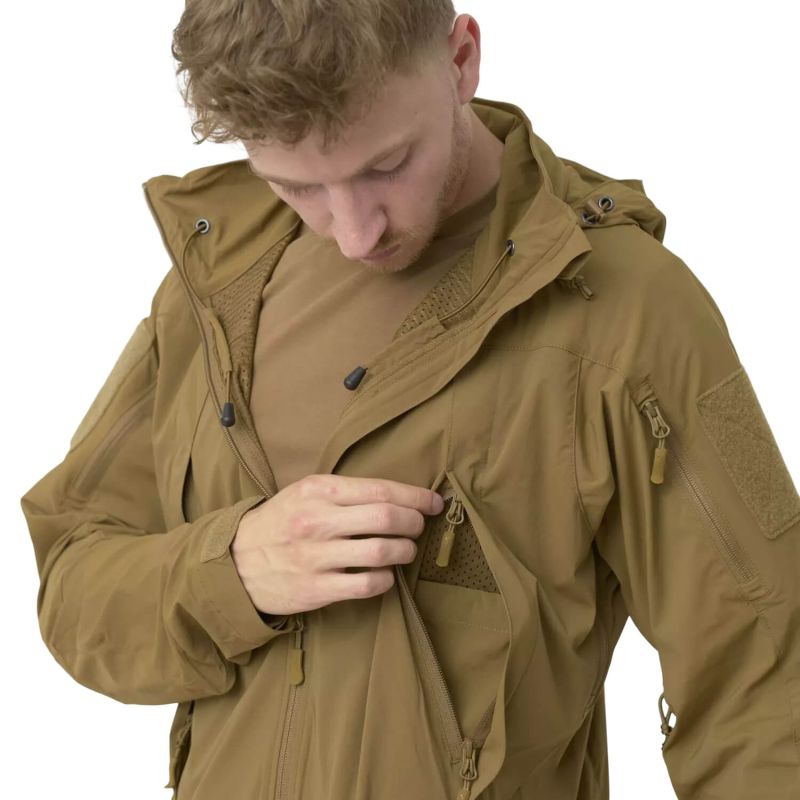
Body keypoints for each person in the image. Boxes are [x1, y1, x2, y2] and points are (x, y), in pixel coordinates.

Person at [20, 2, 800, 798]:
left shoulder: (629, 311)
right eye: (296, 186)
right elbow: (76, 588)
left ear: (461, 60)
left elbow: (766, 683)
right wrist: (233, 572)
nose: (355, 233)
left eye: (386, 164)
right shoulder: (221, 285)